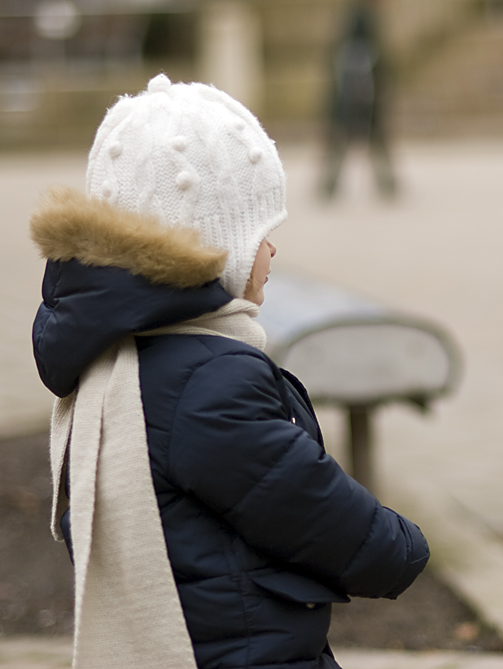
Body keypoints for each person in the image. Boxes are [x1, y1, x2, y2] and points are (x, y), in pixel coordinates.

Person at [30, 74, 429, 669]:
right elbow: (321, 513)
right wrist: (406, 548)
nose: (273, 253)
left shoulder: (114, 355)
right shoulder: (209, 381)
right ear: (216, 245)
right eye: (263, 234)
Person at [319, 0, 396, 199]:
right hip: (368, 102)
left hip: (344, 102)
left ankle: (329, 185)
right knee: (376, 143)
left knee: (339, 143)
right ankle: (387, 184)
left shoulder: (342, 48)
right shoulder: (370, 43)